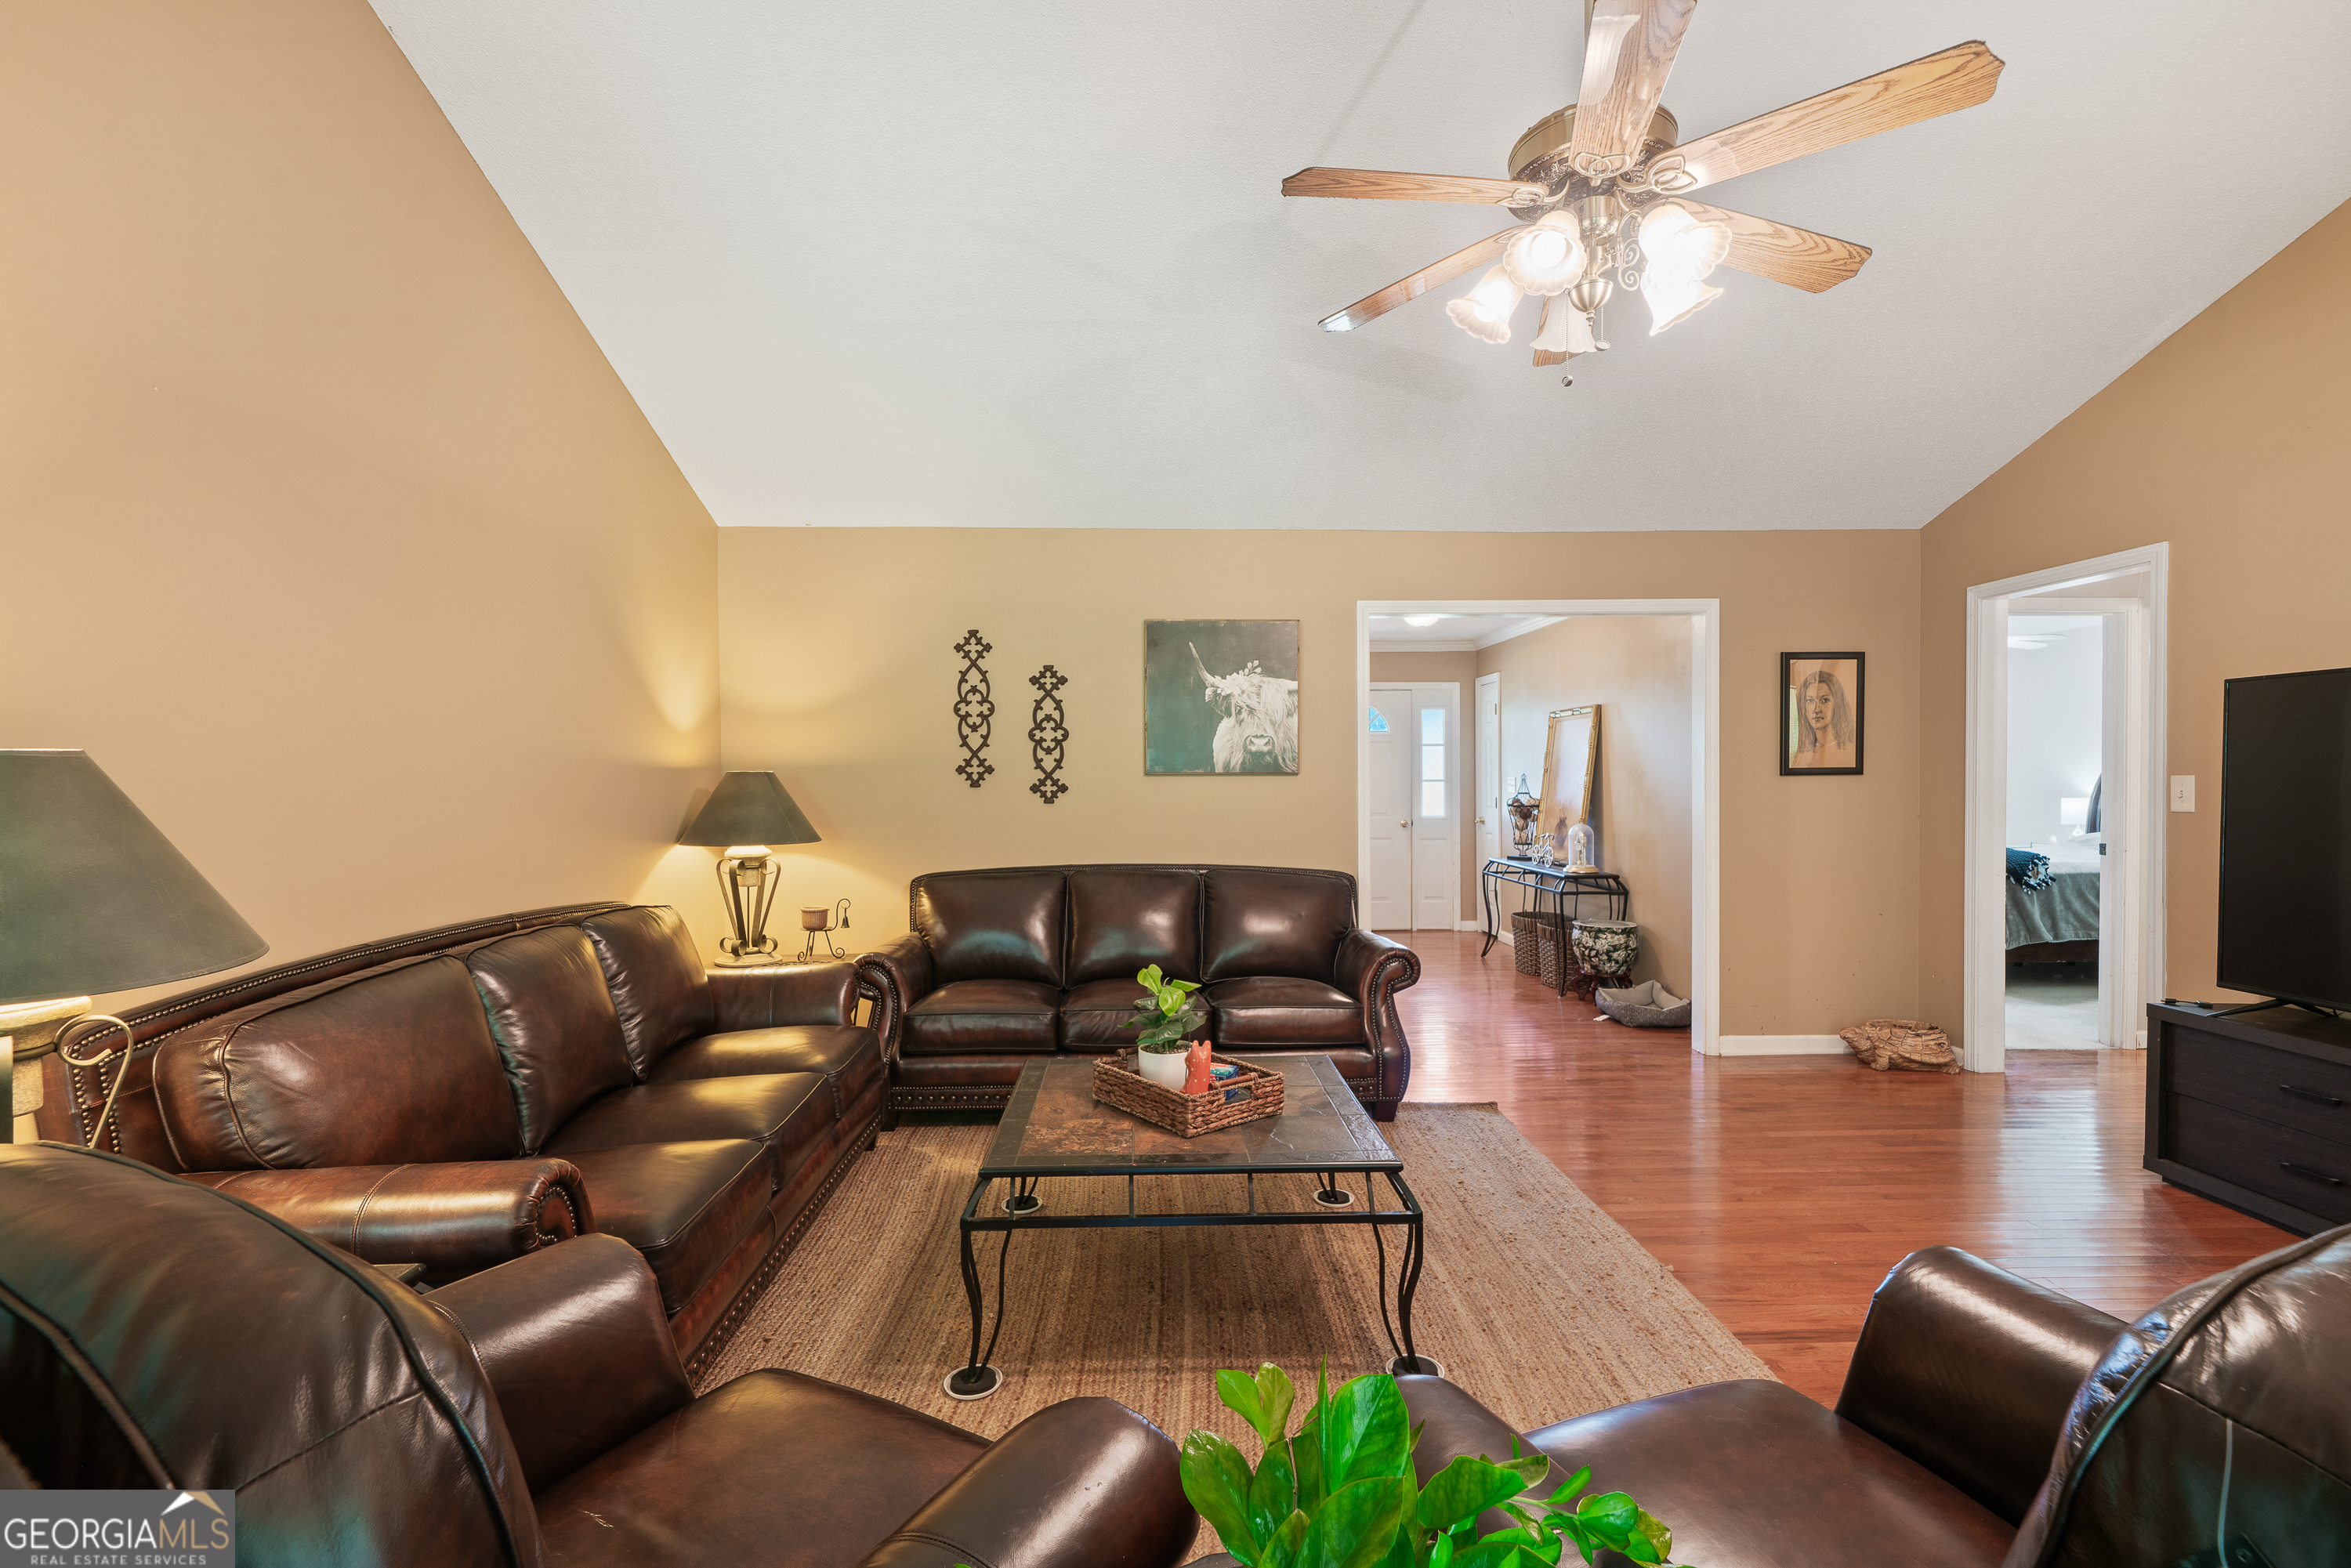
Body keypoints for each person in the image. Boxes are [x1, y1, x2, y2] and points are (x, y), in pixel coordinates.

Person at [1791, 665, 1857, 768]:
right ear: (1804, 706)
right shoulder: (1804, 753)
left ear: (1837, 705)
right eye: (1810, 701)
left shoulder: (1848, 749)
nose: (1817, 709)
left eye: (1824, 701)